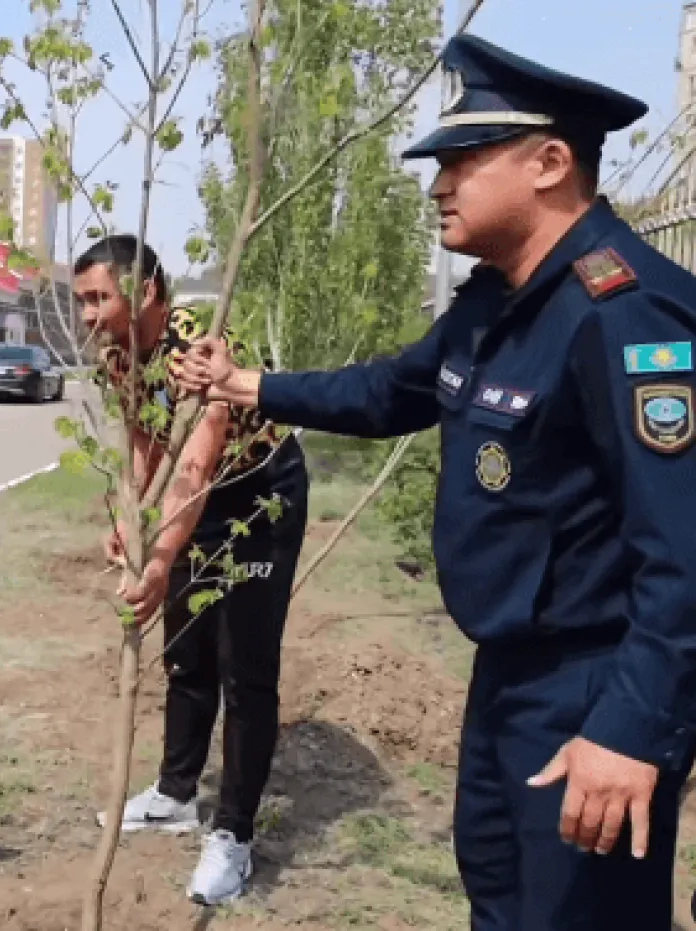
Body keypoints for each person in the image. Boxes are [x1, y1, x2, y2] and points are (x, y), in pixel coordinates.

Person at [176, 34, 696, 931]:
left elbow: (685, 549)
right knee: (498, 896)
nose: (437, 185)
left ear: (550, 162)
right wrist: (247, 385)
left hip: (594, 691)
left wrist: (633, 727)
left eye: (461, 159)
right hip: (506, 678)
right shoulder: (494, 302)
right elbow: (390, 390)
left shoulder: (628, 314)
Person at [73, 234, 310, 905]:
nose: (88, 314)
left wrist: (161, 558)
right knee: (186, 651)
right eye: (81, 300)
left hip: (259, 492)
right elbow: (148, 444)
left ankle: (233, 835)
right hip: (194, 494)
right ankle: (177, 794)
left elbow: (198, 462)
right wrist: (133, 520)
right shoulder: (116, 355)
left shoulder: (198, 347)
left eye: (99, 297)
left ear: (143, 291)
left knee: (246, 666)